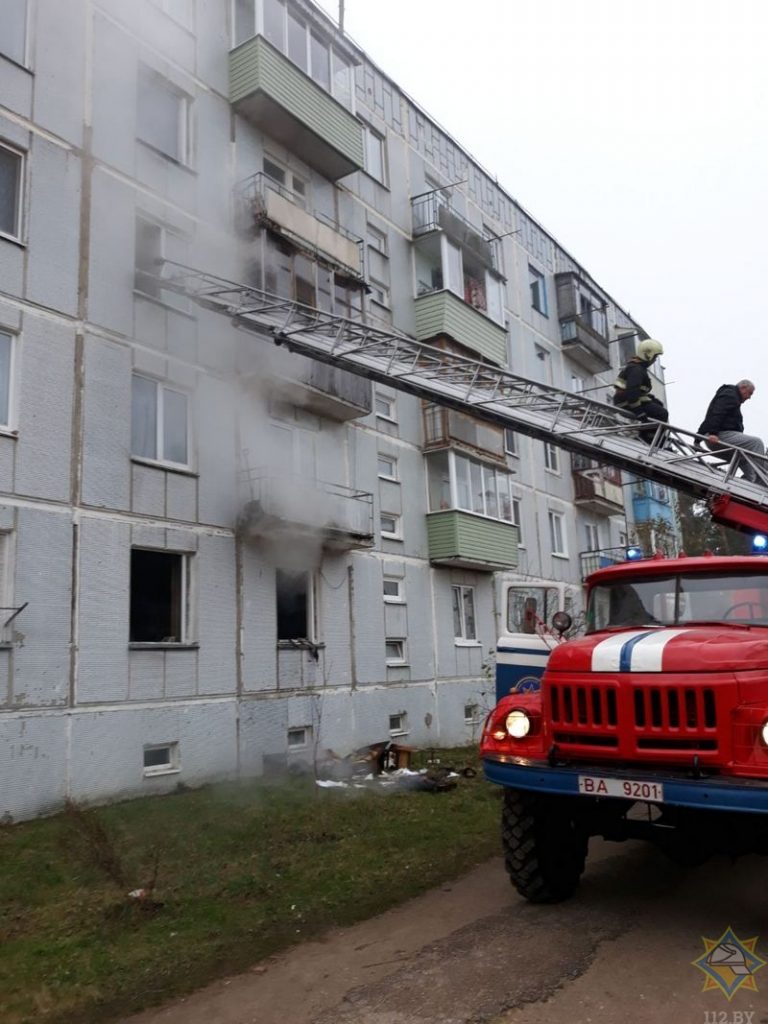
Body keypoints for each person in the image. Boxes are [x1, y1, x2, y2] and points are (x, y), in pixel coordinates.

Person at [698, 379, 765, 483]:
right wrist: (713, 433)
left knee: (744, 456)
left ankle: (753, 481)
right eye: (749, 393)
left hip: (717, 438)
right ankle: (761, 479)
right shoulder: (730, 395)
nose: (749, 397)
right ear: (742, 388)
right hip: (719, 436)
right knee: (756, 443)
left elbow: (710, 416)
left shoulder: (731, 397)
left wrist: (697, 439)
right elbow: (717, 412)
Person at [613, 339, 669, 444]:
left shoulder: (637, 368)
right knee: (662, 413)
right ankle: (651, 440)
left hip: (626, 400)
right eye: (655, 357)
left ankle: (649, 436)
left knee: (658, 405)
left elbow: (637, 391)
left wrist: (651, 400)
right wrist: (639, 412)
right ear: (648, 355)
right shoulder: (636, 370)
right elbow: (632, 391)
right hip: (627, 402)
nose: (655, 360)